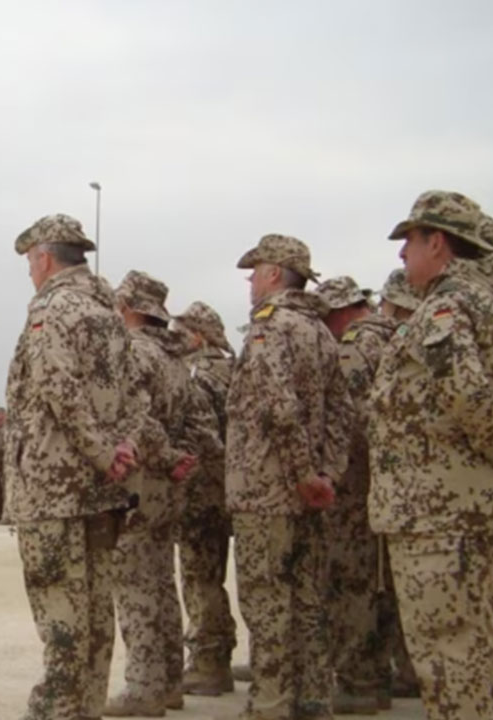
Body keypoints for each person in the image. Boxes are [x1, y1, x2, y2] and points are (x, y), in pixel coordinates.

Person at [369, 191, 493, 720]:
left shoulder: (450, 305)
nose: (402, 254)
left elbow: (463, 386)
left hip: (439, 511)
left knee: (448, 651)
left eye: (410, 241)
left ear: (437, 243)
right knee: (477, 644)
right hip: (460, 505)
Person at [5, 213, 138, 720]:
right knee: (96, 604)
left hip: (54, 485)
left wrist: (103, 451)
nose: (29, 272)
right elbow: (134, 393)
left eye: (30, 262)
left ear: (44, 258)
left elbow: (57, 387)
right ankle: (86, 706)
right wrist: (120, 448)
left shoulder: (53, 308)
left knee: (60, 602)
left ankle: (58, 708)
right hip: (102, 488)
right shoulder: (107, 313)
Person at [227, 233, 351, 720]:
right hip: (310, 492)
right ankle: (313, 700)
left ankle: (272, 704)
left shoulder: (270, 327)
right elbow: (341, 411)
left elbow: (278, 406)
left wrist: (301, 473)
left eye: (255, 273)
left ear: (274, 273)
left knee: (267, 599)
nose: (251, 284)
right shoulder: (319, 330)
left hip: (267, 491)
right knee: (307, 599)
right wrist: (327, 474)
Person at [104, 271, 212, 717]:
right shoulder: (174, 360)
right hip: (169, 486)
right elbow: (199, 422)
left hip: (141, 481)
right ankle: (168, 682)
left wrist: (166, 456)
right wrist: (182, 458)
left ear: (129, 307)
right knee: (162, 581)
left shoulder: (134, 352)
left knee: (136, 584)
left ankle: (144, 687)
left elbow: (137, 417)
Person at [313, 275, 399, 714]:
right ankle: (378, 676)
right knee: (379, 581)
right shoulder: (394, 338)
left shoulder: (354, 348)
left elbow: (346, 420)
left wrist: (324, 469)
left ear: (343, 312)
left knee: (349, 581)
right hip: (389, 485)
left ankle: (357, 679)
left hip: (353, 486)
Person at [171, 301, 237, 697]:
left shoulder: (198, 376)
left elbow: (198, 437)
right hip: (227, 489)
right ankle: (218, 654)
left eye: (182, 332)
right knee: (213, 575)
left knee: (199, 579)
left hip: (201, 491)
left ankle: (209, 663)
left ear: (198, 337)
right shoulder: (232, 369)